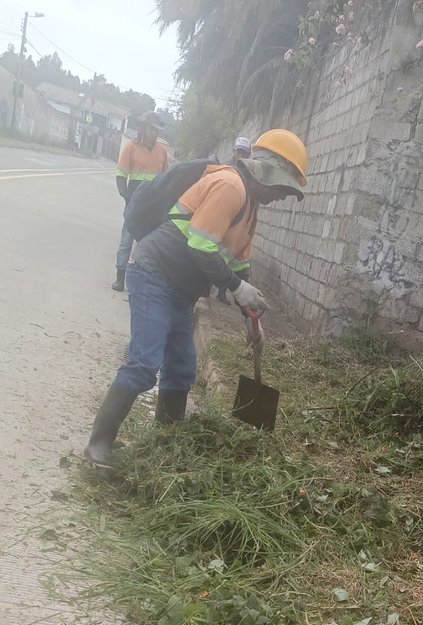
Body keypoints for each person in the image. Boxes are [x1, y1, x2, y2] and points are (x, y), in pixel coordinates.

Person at [84, 129, 308, 467]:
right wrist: (235, 287)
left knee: (182, 369)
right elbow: (200, 246)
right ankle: (98, 444)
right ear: (267, 171)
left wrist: (252, 318)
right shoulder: (230, 186)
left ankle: (166, 444)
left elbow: (238, 265)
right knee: (145, 364)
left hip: (181, 290)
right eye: (282, 188)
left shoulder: (250, 208)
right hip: (155, 274)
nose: (281, 197)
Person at [112, 111, 168, 292]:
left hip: (153, 206)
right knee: (127, 239)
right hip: (134, 203)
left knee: (148, 243)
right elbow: (121, 175)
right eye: (152, 129)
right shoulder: (130, 147)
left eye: (157, 130)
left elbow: (166, 178)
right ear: (143, 128)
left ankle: (142, 278)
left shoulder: (162, 152)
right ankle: (120, 276)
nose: (155, 133)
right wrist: (127, 197)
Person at [217, 135, 252, 303]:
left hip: (238, 214)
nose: (242, 156)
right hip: (223, 211)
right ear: (234, 152)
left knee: (229, 253)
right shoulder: (225, 166)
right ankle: (207, 286)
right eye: (240, 152)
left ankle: (222, 291)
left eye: (245, 153)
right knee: (214, 248)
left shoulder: (251, 172)